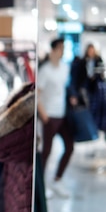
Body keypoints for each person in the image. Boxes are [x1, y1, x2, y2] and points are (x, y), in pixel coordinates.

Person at [36, 37, 74, 198]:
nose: (62, 51)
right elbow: (37, 95)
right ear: (53, 50)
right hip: (49, 115)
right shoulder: (45, 71)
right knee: (46, 152)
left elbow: (65, 89)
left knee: (70, 147)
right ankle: (41, 184)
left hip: (62, 114)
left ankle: (57, 179)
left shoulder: (65, 68)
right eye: (59, 48)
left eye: (63, 48)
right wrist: (44, 115)